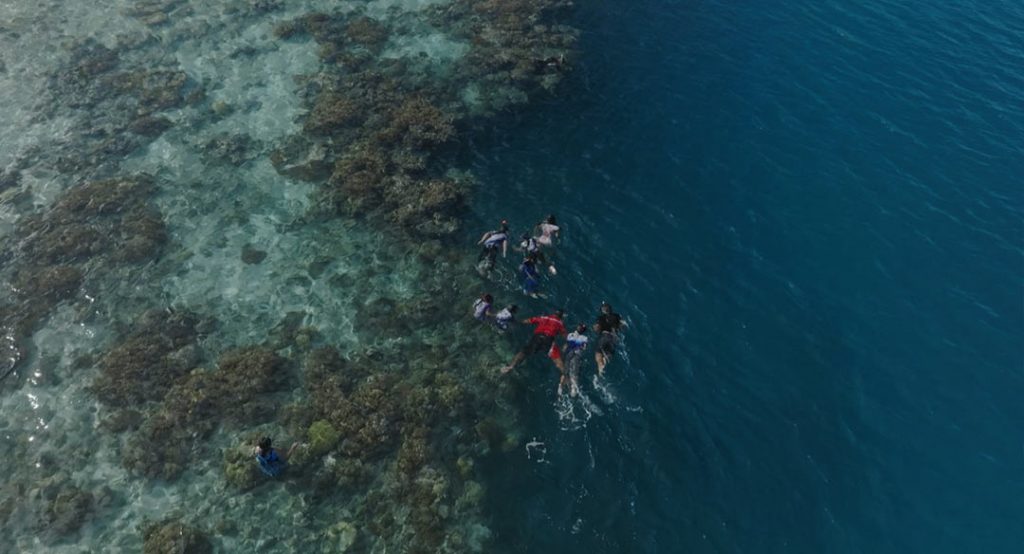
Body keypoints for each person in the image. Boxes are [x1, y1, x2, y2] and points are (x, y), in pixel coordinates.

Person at [500, 310, 567, 374]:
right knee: (557, 358)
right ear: (561, 317)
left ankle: (511, 366)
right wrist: (565, 344)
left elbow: (528, 321)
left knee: (523, 352)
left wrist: (519, 322)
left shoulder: (543, 317)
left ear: (554, 314)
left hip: (537, 337)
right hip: (548, 339)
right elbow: (565, 336)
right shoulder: (560, 323)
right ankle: (566, 376)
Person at [593, 302, 626, 376]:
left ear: (603, 310)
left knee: (598, 353)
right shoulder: (617, 316)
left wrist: (596, 328)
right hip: (614, 338)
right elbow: (623, 326)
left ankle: (600, 366)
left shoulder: (601, 318)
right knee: (609, 353)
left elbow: (597, 328)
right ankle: (605, 361)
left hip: (605, 336)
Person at [558, 323, 589, 397]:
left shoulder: (570, 335)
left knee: (566, 372)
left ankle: (561, 387)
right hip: (576, 355)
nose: (579, 327)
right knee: (574, 373)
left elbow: (566, 345)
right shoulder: (585, 338)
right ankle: (572, 389)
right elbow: (584, 348)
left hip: (570, 354)